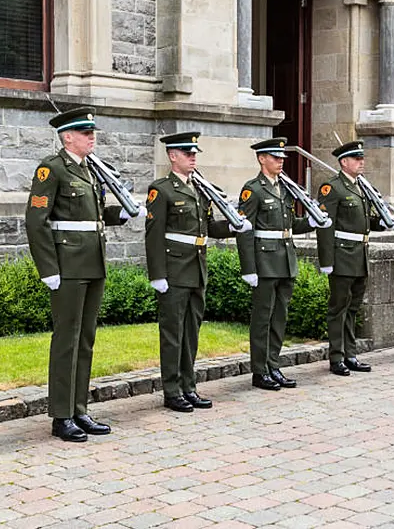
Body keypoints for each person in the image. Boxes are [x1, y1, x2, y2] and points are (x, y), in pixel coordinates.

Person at [26, 107, 143, 442]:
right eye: (85, 132)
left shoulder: (89, 169)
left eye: (92, 132)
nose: (92, 137)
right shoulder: (52, 168)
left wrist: (120, 213)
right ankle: (61, 416)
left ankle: (79, 409)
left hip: (92, 262)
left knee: (86, 339)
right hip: (68, 266)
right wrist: (48, 269)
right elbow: (36, 221)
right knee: (67, 340)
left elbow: (94, 215)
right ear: (67, 137)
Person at [145, 132, 251, 412]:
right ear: (172, 156)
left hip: (196, 268)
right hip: (174, 269)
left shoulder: (200, 189)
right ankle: (171, 390)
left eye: (194, 153)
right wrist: (157, 275)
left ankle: (188, 386)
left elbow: (208, 228)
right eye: (187, 153)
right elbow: (153, 235)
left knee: (191, 332)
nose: (193, 157)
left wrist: (233, 227)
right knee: (172, 333)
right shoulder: (162, 189)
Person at [237, 137, 331, 390]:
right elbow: (245, 230)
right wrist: (249, 268)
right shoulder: (253, 189)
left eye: (281, 158)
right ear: (261, 159)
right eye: (275, 158)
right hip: (265, 262)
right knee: (262, 318)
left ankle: (273, 365)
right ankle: (260, 371)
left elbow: (289, 226)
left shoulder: (286, 188)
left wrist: (312, 222)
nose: (280, 162)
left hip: (286, 259)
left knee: (280, 317)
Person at [317, 141, 394, 376]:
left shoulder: (361, 187)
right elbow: (325, 227)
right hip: (342, 255)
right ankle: (336, 357)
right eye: (356, 158)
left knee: (353, 308)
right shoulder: (332, 188)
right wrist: (326, 260)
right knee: (338, 308)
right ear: (344, 162)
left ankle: (350, 354)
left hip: (359, 254)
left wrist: (379, 224)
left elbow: (362, 221)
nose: (362, 162)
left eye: (362, 158)